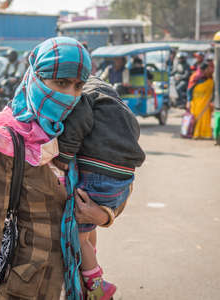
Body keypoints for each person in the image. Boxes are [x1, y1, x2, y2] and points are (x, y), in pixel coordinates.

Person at [0, 37, 111, 300]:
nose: (69, 95)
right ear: (36, 78)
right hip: (28, 287)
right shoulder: (7, 140)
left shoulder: (78, 131)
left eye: (78, 86)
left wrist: (102, 216)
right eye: (61, 83)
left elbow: (113, 185)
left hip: (76, 284)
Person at [54, 76, 145, 299]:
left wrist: (64, 157)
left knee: (80, 237)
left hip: (99, 176)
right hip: (123, 177)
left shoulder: (86, 98)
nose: (71, 92)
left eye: (75, 86)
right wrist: (103, 216)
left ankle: (95, 286)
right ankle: (91, 263)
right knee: (88, 233)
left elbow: (78, 124)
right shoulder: (118, 105)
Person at [187, 62, 214, 139]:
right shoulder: (195, 77)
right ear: (204, 69)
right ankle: (196, 134)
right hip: (196, 102)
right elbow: (189, 89)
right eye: (207, 69)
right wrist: (188, 101)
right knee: (197, 117)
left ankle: (205, 134)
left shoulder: (208, 77)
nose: (209, 70)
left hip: (205, 101)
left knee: (205, 118)